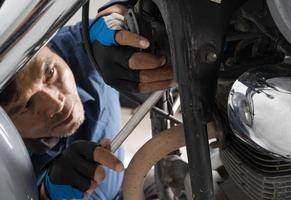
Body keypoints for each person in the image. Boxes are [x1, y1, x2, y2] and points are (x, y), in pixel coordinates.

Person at [0, 3, 173, 200]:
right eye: (26, 105)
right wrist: (47, 196)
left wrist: (115, 13)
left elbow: (123, 17)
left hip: (125, 187)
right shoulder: (3, 165)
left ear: (52, 49)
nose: (56, 104)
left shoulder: (80, 49)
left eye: (50, 72)